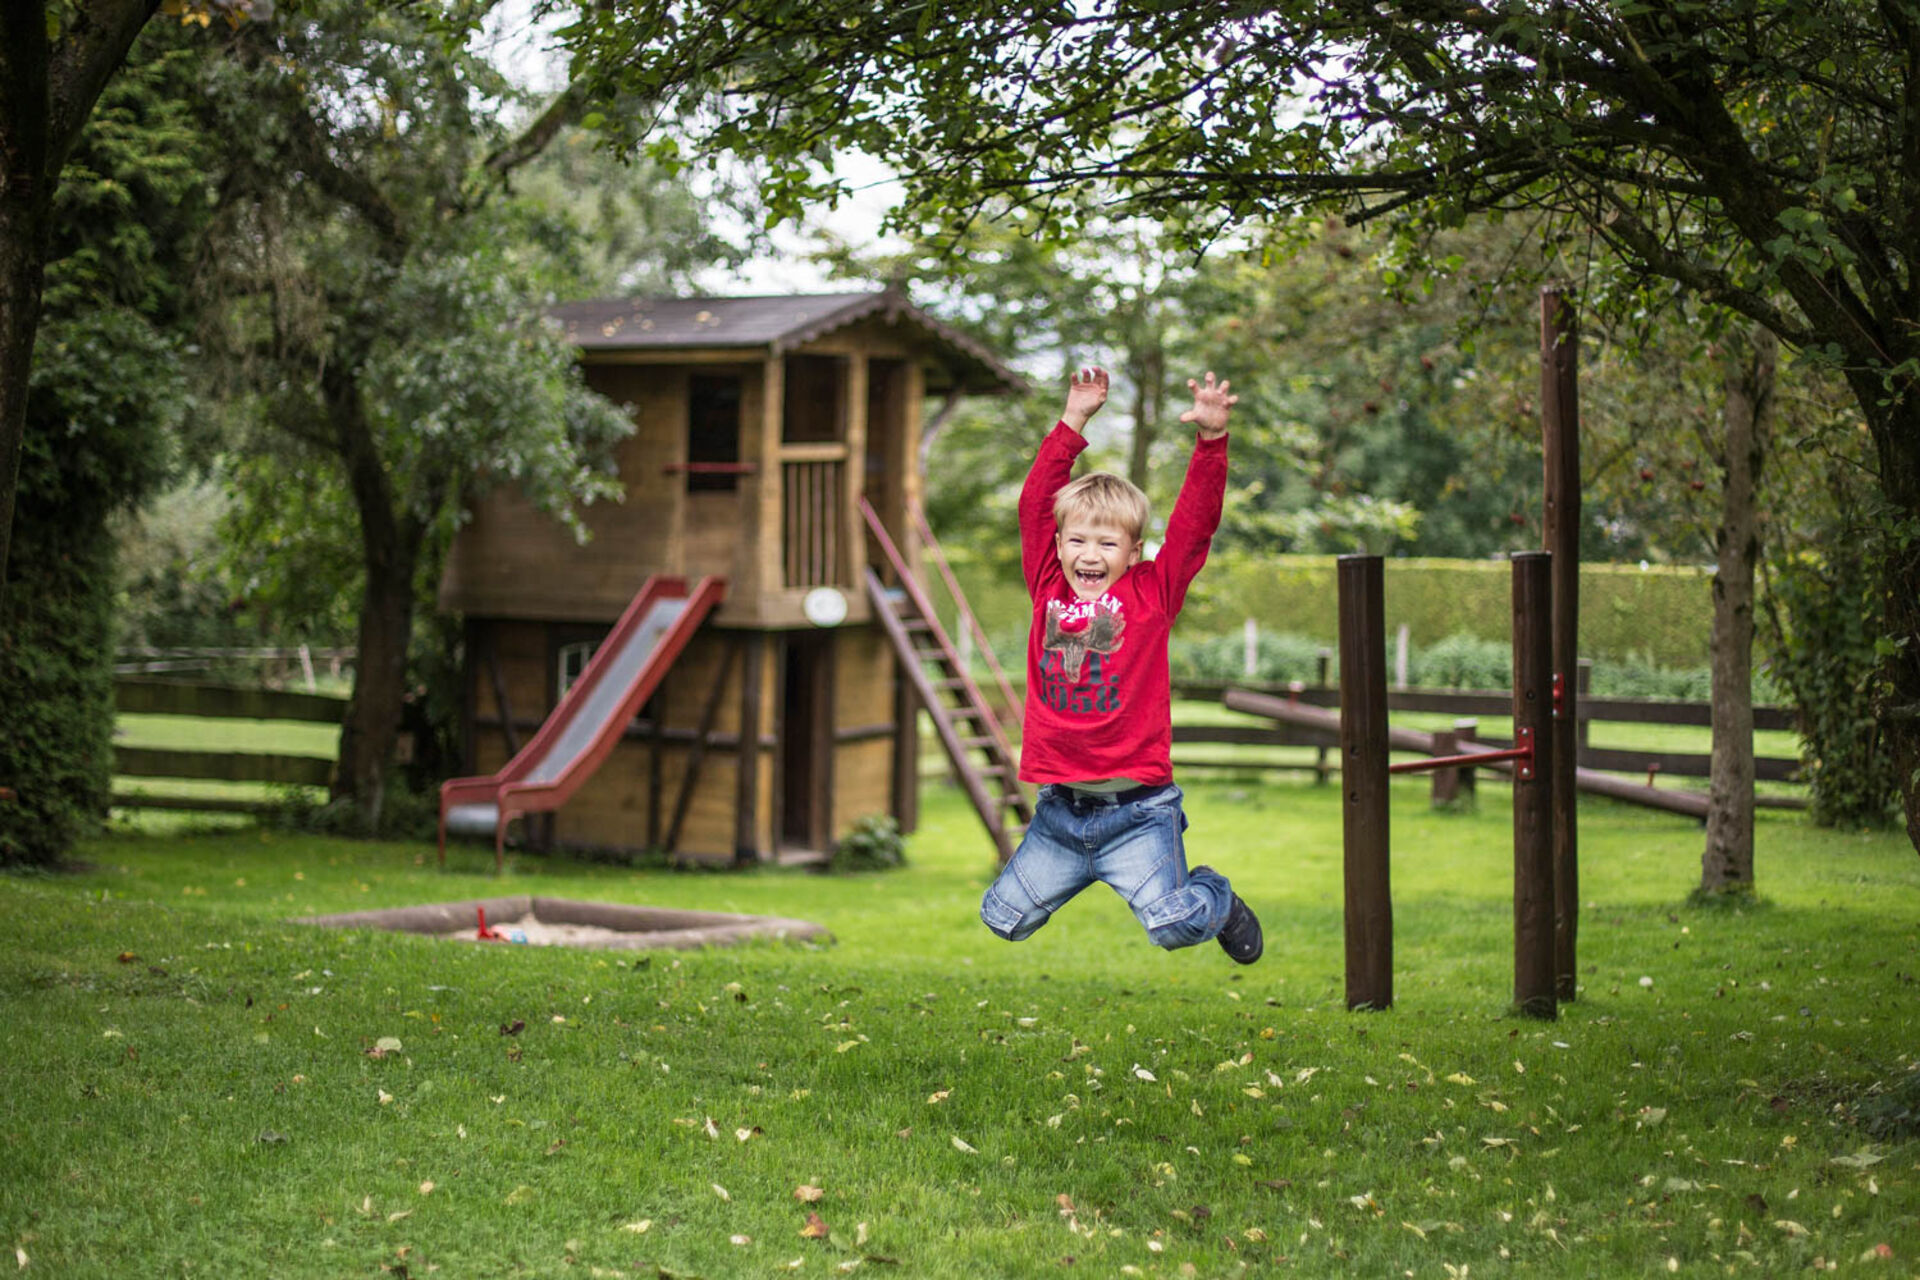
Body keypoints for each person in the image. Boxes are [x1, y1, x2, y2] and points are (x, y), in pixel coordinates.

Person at [979, 365, 1263, 964]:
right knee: (999, 919)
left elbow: (1194, 527)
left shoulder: (1151, 595)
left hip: (1139, 813)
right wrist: (1074, 419)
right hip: (1060, 812)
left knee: (1176, 927)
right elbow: (1036, 503)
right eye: (1078, 540)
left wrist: (1211, 443)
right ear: (1058, 547)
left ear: (1134, 553)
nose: (1089, 554)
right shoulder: (1046, 586)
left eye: (1108, 545)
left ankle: (1219, 896)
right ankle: (1078, 869)